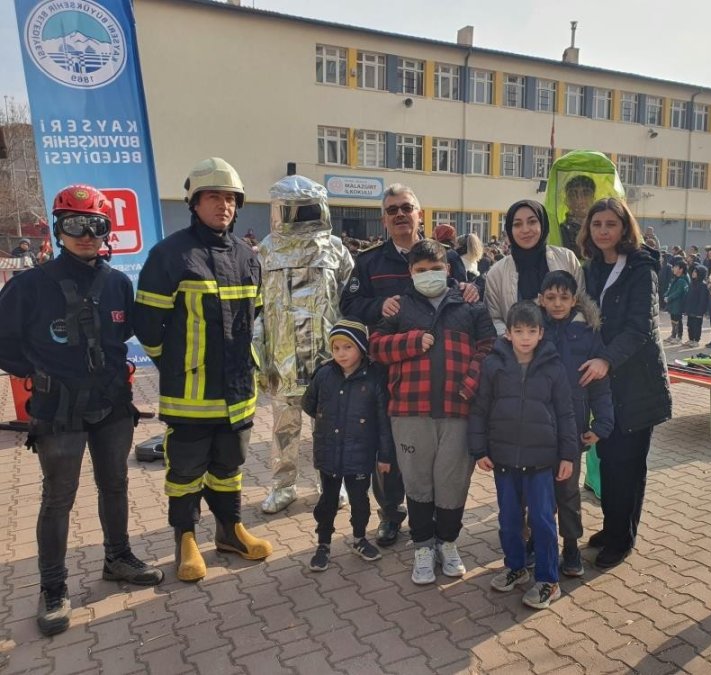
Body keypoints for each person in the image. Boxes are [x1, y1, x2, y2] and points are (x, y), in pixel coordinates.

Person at [0, 185, 163, 636]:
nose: (86, 235)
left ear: (107, 231)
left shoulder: (116, 283)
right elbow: (4, 343)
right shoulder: (29, 286)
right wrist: (40, 373)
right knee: (58, 499)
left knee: (115, 484)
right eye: (75, 225)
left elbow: (129, 331)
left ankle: (118, 558)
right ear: (58, 228)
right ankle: (53, 588)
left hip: (111, 405)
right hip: (59, 411)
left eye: (95, 226)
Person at [134, 157, 272, 583]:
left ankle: (230, 532)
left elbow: (257, 319)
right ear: (194, 202)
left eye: (231, 198)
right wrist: (175, 365)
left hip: (237, 391)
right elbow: (146, 326)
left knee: (230, 466)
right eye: (214, 197)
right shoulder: (170, 255)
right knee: (185, 471)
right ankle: (186, 539)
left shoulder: (249, 258)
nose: (224, 206)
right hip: (191, 393)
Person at [340, 184, 478, 546]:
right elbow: (350, 306)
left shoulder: (448, 257)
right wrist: (377, 307)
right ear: (384, 219)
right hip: (386, 367)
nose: (400, 214)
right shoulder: (369, 261)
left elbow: (463, 297)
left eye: (406, 208)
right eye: (392, 210)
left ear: (420, 214)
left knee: (434, 446)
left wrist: (471, 290)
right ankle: (390, 513)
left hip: (438, 373)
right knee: (385, 444)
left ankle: (432, 512)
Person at [369, 239, 495, 585]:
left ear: (448, 269)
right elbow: (376, 347)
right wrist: (410, 342)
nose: (428, 275)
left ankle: (448, 543)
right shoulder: (400, 308)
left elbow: (489, 348)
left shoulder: (470, 305)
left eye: (435, 269)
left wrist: (469, 385)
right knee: (419, 483)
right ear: (410, 273)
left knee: (452, 483)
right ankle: (423, 546)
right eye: (420, 270)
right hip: (410, 412)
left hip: (458, 411)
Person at [577, 198, 672, 569]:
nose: (603, 231)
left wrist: (606, 359)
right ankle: (612, 525)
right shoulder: (592, 267)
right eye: (597, 224)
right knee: (607, 458)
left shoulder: (640, 267)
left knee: (627, 465)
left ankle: (623, 537)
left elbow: (641, 328)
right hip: (604, 385)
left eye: (610, 224)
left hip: (636, 382)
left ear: (624, 228)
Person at [255, 175, 355, 514]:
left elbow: (350, 303)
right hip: (283, 358)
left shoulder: (335, 248)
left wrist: (351, 355)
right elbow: (256, 309)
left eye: (306, 208)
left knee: (329, 427)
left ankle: (333, 483)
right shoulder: (267, 249)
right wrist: (259, 357)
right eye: (292, 210)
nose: (300, 216)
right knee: (285, 429)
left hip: (328, 357)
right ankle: (283, 487)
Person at [469, 301, 578, 609]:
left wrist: (568, 455)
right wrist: (479, 450)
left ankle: (547, 580)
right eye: (519, 331)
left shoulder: (554, 367)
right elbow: (480, 409)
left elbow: (566, 413)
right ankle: (516, 566)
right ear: (509, 333)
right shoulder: (494, 364)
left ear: (541, 333)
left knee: (543, 521)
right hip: (504, 460)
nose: (526, 337)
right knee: (510, 519)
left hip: (542, 462)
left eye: (532, 331)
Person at [537, 271, 615, 576]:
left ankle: (570, 546)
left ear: (574, 300)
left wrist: (602, 425)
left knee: (567, 491)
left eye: (564, 298)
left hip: (571, 431)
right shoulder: (532, 330)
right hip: (536, 428)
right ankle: (540, 543)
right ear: (541, 300)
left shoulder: (588, 334)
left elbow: (599, 385)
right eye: (551, 297)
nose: (557, 304)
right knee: (536, 491)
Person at [302, 319, 394, 571]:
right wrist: (327, 420)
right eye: (336, 348)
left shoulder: (375, 378)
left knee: (359, 499)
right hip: (329, 450)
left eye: (348, 347)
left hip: (360, 454)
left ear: (362, 349)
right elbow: (308, 404)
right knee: (327, 500)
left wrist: (385, 456)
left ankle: (359, 538)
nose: (341, 354)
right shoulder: (323, 375)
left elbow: (383, 422)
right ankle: (323, 543)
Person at [484, 200, 584, 336]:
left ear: (542, 224)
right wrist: (513, 340)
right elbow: (494, 318)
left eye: (532, 222)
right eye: (517, 224)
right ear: (509, 229)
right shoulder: (497, 273)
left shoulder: (566, 259)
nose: (525, 230)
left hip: (566, 349)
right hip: (518, 353)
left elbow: (581, 303)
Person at [559, 175, 596, 255]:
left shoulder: (600, 227)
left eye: (585, 193)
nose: (579, 200)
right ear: (566, 200)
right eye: (572, 194)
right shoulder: (561, 230)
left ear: (594, 198)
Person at [662, 259, 689, 344]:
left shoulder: (682, 280)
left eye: (675, 267)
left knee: (678, 319)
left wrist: (668, 298)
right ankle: (673, 335)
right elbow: (671, 289)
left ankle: (679, 337)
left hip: (678, 304)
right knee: (673, 319)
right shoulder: (676, 278)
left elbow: (678, 292)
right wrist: (666, 295)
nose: (673, 268)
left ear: (681, 269)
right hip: (673, 304)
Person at [683, 264, 709, 348]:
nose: (693, 273)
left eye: (695, 272)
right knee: (689, 324)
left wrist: (700, 311)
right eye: (693, 271)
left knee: (697, 325)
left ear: (700, 273)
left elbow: (703, 300)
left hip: (697, 310)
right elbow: (688, 297)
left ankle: (696, 340)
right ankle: (691, 339)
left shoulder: (703, 285)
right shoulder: (692, 283)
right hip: (690, 309)